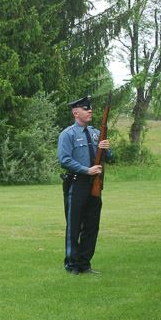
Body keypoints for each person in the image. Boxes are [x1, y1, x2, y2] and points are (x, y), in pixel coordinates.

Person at [57, 96, 111, 275]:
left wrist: (106, 148)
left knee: (91, 226)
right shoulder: (68, 134)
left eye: (90, 109)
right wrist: (86, 170)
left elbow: (109, 158)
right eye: (85, 109)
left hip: (95, 185)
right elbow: (64, 159)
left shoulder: (96, 133)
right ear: (75, 112)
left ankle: (84, 264)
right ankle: (72, 265)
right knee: (74, 225)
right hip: (77, 183)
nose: (90, 111)